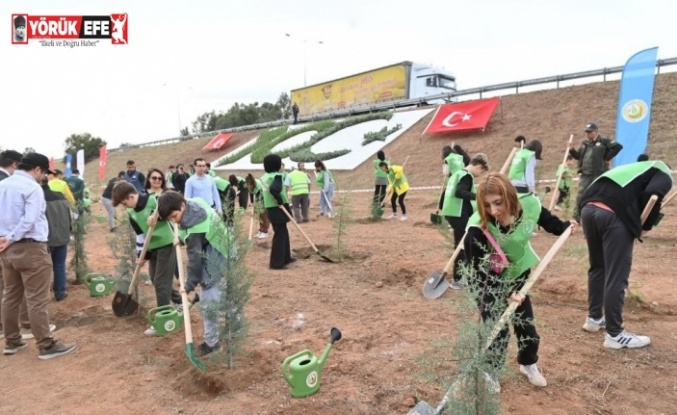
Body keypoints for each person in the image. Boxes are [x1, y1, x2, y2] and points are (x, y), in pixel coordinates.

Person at [463, 172, 575, 392]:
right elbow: (479, 271)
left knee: (527, 328)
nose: (493, 211)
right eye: (487, 206)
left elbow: (547, 220)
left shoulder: (529, 205)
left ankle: (528, 363)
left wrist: (564, 228)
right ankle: (490, 371)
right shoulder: (477, 230)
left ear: (510, 196)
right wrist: (503, 293)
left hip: (518, 277)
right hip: (488, 285)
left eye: (498, 202)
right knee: (498, 331)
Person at [579, 160, 672, 349]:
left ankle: (594, 318)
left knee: (598, 267)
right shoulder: (664, 171)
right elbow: (652, 195)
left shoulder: (634, 169)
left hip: (587, 209)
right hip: (613, 215)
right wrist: (644, 226)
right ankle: (615, 334)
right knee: (617, 276)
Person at [0, 152, 77, 359]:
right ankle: (46, 345)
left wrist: (6, 238)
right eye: (44, 173)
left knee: (10, 296)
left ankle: (12, 341)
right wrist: (12, 237)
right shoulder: (32, 188)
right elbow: (30, 220)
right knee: (36, 300)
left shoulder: (3, 185)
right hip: (30, 248)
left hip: (7, 250)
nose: (44, 177)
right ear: (37, 169)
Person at [157, 191, 236, 356]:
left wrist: (188, 285)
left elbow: (194, 261)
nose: (174, 221)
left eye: (174, 216)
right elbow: (188, 230)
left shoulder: (195, 228)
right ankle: (235, 327)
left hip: (218, 255)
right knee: (225, 293)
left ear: (183, 206)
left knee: (209, 302)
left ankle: (212, 344)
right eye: (170, 219)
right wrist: (181, 238)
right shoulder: (193, 201)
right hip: (224, 246)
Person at [112, 181, 181, 335]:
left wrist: (158, 218)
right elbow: (140, 235)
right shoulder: (132, 214)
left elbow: (171, 216)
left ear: (130, 196)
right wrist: (140, 255)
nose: (125, 207)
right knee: (155, 279)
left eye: (124, 203)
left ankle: (162, 319)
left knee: (161, 283)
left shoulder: (154, 201)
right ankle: (180, 302)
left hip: (167, 244)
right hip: (152, 247)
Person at [440, 154, 489, 289]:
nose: (480, 175)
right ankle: (458, 279)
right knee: (461, 246)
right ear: (479, 166)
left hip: (451, 212)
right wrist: (478, 196)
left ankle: (462, 275)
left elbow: (446, 193)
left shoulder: (457, 173)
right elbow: (460, 192)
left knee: (463, 243)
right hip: (458, 213)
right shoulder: (466, 176)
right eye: (482, 171)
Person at [0, 150, 30, 340]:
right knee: (12, 288)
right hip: (9, 242)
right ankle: (20, 326)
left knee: (8, 289)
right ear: (14, 165)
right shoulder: (7, 184)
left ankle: (7, 331)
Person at [568, 123, 623, 221]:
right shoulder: (585, 144)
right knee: (581, 195)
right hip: (585, 175)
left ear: (595, 131)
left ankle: (602, 217)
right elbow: (578, 156)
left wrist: (607, 158)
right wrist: (572, 150)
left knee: (600, 196)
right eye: (587, 132)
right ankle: (576, 217)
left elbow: (618, 146)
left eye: (590, 132)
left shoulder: (604, 141)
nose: (588, 134)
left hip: (599, 174)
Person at [41, 177, 71, 302]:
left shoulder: (37, 198)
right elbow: (68, 217)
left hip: (45, 239)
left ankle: (42, 296)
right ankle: (60, 292)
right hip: (62, 237)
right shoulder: (61, 197)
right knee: (59, 266)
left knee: (42, 269)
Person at [262, 155, 295, 270]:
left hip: (271, 208)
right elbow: (274, 189)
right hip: (277, 208)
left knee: (283, 232)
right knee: (280, 235)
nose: (281, 165)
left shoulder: (266, 176)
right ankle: (276, 263)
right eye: (280, 163)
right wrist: (280, 201)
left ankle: (286, 258)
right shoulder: (276, 176)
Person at [246, 174, 270, 238]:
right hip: (259, 197)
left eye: (249, 184)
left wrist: (256, 204)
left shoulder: (258, 186)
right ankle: (261, 231)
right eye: (247, 184)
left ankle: (265, 232)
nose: (248, 186)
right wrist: (252, 202)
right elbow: (251, 193)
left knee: (263, 215)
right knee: (259, 215)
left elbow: (261, 198)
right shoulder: (248, 186)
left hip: (265, 197)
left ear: (252, 183)